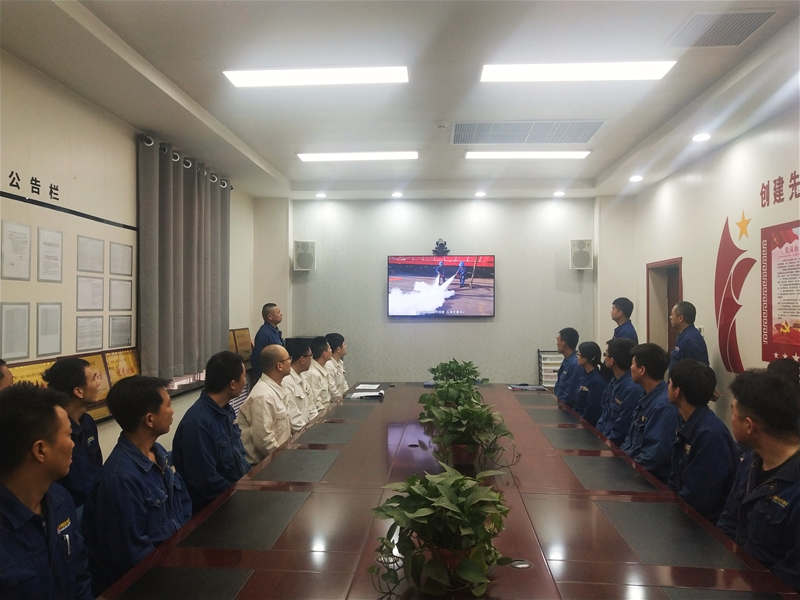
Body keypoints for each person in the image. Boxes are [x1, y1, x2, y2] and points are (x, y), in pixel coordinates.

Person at [82, 376, 191, 597]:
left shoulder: (158, 453)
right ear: (150, 419)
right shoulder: (120, 479)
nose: (172, 411)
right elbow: (131, 557)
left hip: (176, 561)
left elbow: (184, 506)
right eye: (168, 405)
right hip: (146, 583)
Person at [0, 382, 92, 600]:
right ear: (40, 450)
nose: (73, 444)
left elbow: (79, 576)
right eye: (68, 435)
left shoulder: (60, 500)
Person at [718, 370, 799, 592]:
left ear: (749, 425)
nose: (731, 418)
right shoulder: (753, 461)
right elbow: (728, 521)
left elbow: (792, 576)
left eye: (733, 412)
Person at [172, 351, 251, 514]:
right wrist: (241, 497)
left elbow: (239, 457)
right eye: (244, 376)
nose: (246, 381)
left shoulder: (226, 410)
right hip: (216, 508)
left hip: (237, 491)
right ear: (232, 384)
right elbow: (206, 483)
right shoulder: (198, 424)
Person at [667, 360, 738, 523]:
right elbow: (675, 478)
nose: (667, 386)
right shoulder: (685, 421)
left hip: (704, 525)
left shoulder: (710, 435)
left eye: (670, 382)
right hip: (682, 512)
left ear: (677, 391)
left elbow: (699, 498)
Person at [41, 358, 103, 511]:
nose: (98, 383)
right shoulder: (51, 428)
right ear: (78, 391)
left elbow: (97, 466)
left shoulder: (88, 421)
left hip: (95, 503)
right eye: (94, 379)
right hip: (68, 508)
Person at [620, 343, 678, 482]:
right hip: (632, 468)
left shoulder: (663, 406)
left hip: (649, 479)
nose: (630, 368)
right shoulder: (646, 396)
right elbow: (630, 441)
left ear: (642, 370)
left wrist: (625, 470)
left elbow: (654, 455)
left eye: (633, 363)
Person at [239, 345, 292, 465]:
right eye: (288, 358)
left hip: (281, 456)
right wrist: (285, 460)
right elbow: (264, 443)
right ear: (279, 366)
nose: (290, 361)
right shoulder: (262, 396)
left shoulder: (280, 386)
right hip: (266, 464)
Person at [596, 338, 644, 446]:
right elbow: (604, 416)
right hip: (603, 439)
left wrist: (604, 443)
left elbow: (622, 428)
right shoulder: (613, 382)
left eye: (606, 354)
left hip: (615, 446)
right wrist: (597, 437)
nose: (604, 358)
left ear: (612, 360)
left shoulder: (632, 389)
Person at [284, 338, 318, 432]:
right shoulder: (287, 382)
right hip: (299, 434)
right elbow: (295, 422)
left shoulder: (302, 377)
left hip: (308, 429)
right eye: (310, 356)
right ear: (302, 359)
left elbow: (312, 409)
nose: (312, 359)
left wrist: (318, 426)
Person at [573, 341, 607, 427]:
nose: (577, 356)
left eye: (578, 354)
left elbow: (591, 411)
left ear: (585, 359)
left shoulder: (597, 381)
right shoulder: (585, 376)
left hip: (587, 426)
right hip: (578, 420)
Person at [668, 301, 709, 370]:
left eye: (672, 314)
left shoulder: (691, 340)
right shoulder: (683, 336)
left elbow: (697, 371)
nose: (670, 317)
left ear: (680, 318)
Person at [251, 303, 284, 381]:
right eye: (278, 312)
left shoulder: (275, 331)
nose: (281, 314)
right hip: (268, 377)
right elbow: (256, 358)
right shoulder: (264, 333)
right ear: (270, 317)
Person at [553, 327, 582, 408]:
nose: (557, 344)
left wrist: (560, 406)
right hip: (560, 404)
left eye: (558, 340)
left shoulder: (575, 364)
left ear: (563, 343)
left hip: (567, 409)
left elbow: (570, 393)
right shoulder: (567, 360)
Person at [307, 336, 334, 412]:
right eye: (329, 348)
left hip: (328, 410)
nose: (331, 351)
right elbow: (316, 404)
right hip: (322, 415)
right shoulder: (313, 374)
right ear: (324, 354)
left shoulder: (324, 367)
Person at [325, 333, 349, 400]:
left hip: (341, 400)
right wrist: (340, 400)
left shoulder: (340, 362)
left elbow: (343, 383)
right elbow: (332, 389)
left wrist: (348, 396)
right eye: (344, 344)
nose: (346, 346)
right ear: (338, 349)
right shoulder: (328, 365)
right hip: (334, 402)